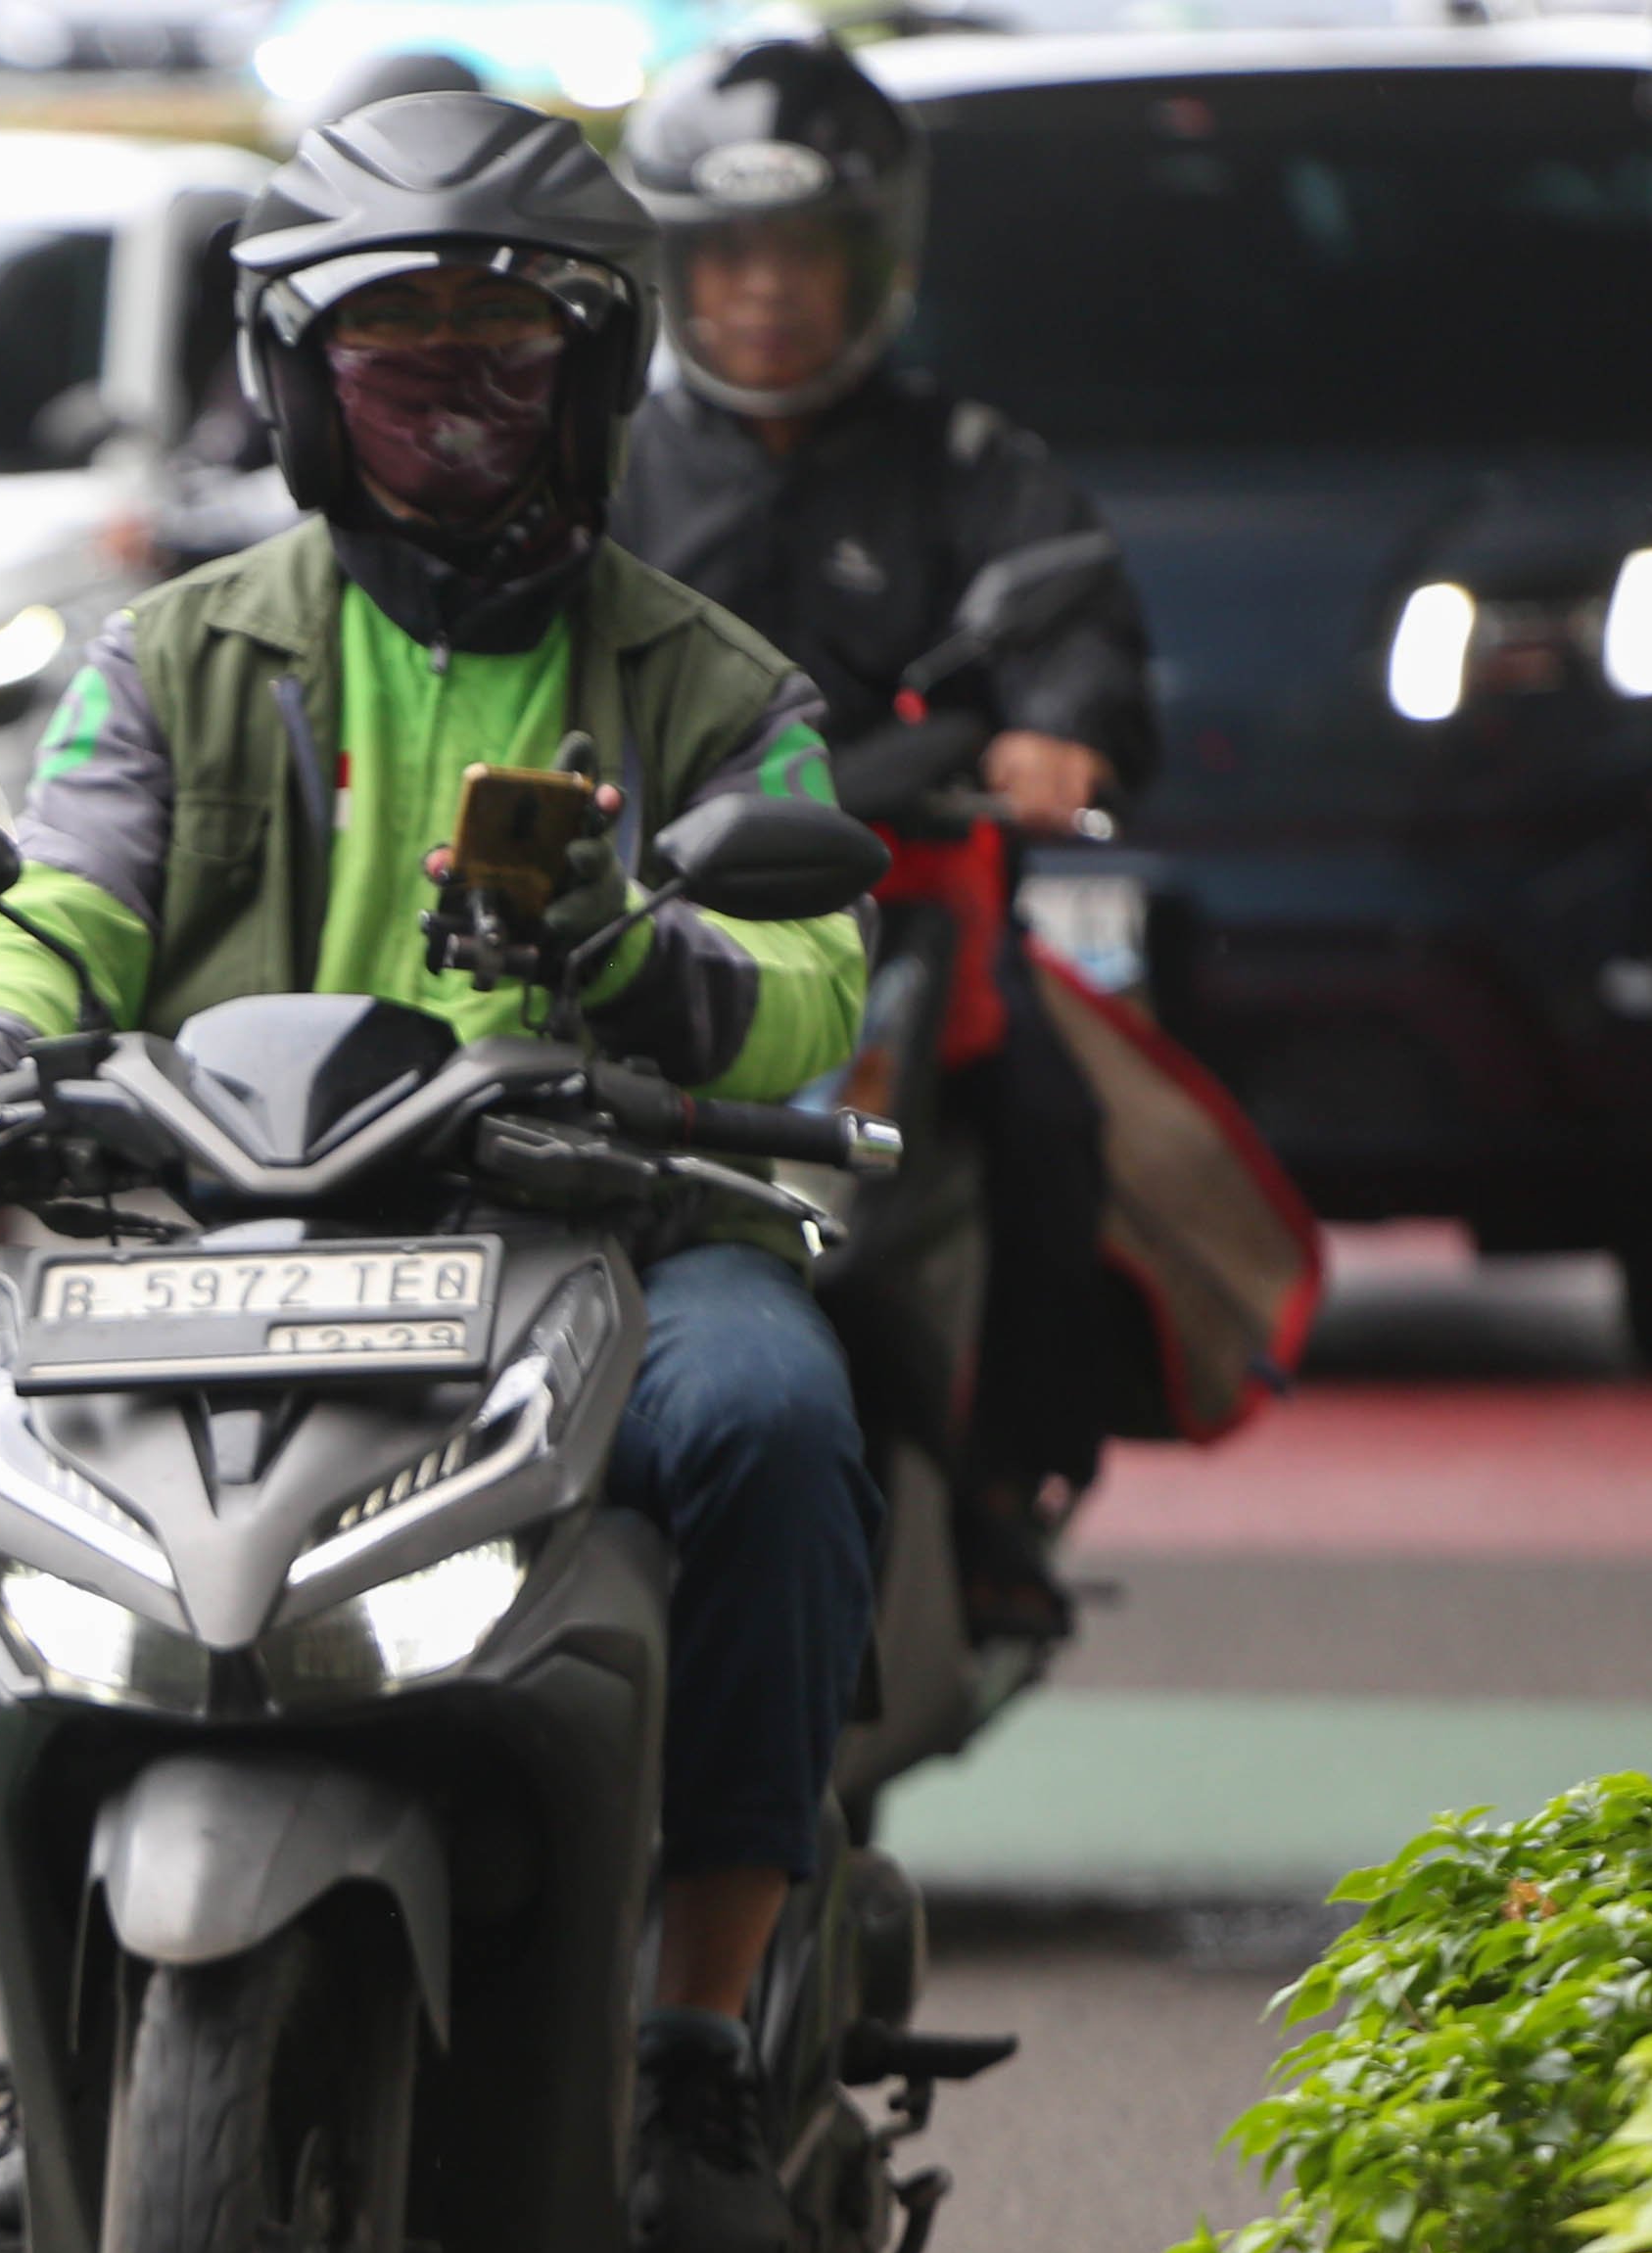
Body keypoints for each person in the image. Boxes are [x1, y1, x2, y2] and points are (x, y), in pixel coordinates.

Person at [0, 93, 874, 2253]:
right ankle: (44, 2060)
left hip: (612, 1238)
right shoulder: (169, 657)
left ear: (593, 387)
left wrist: (635, 952)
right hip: (225, 1252)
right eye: (402, 368)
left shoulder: (715, 681)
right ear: (303, 385)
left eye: (505, 367)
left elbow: (810, 988)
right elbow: (64, 904)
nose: (453, 414)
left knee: (775, 1423)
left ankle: (702, 2029)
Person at [609, 29, 1158, 1639]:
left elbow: (1073, 623)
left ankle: (1004, 1494)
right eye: (729, 257)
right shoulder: (606, 473)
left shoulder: (965, 463)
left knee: (1055, 1146)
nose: (764, 292)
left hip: (915, 929)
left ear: (876, 267)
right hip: (646, 936)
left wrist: (1059, 727)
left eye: (801, 254)